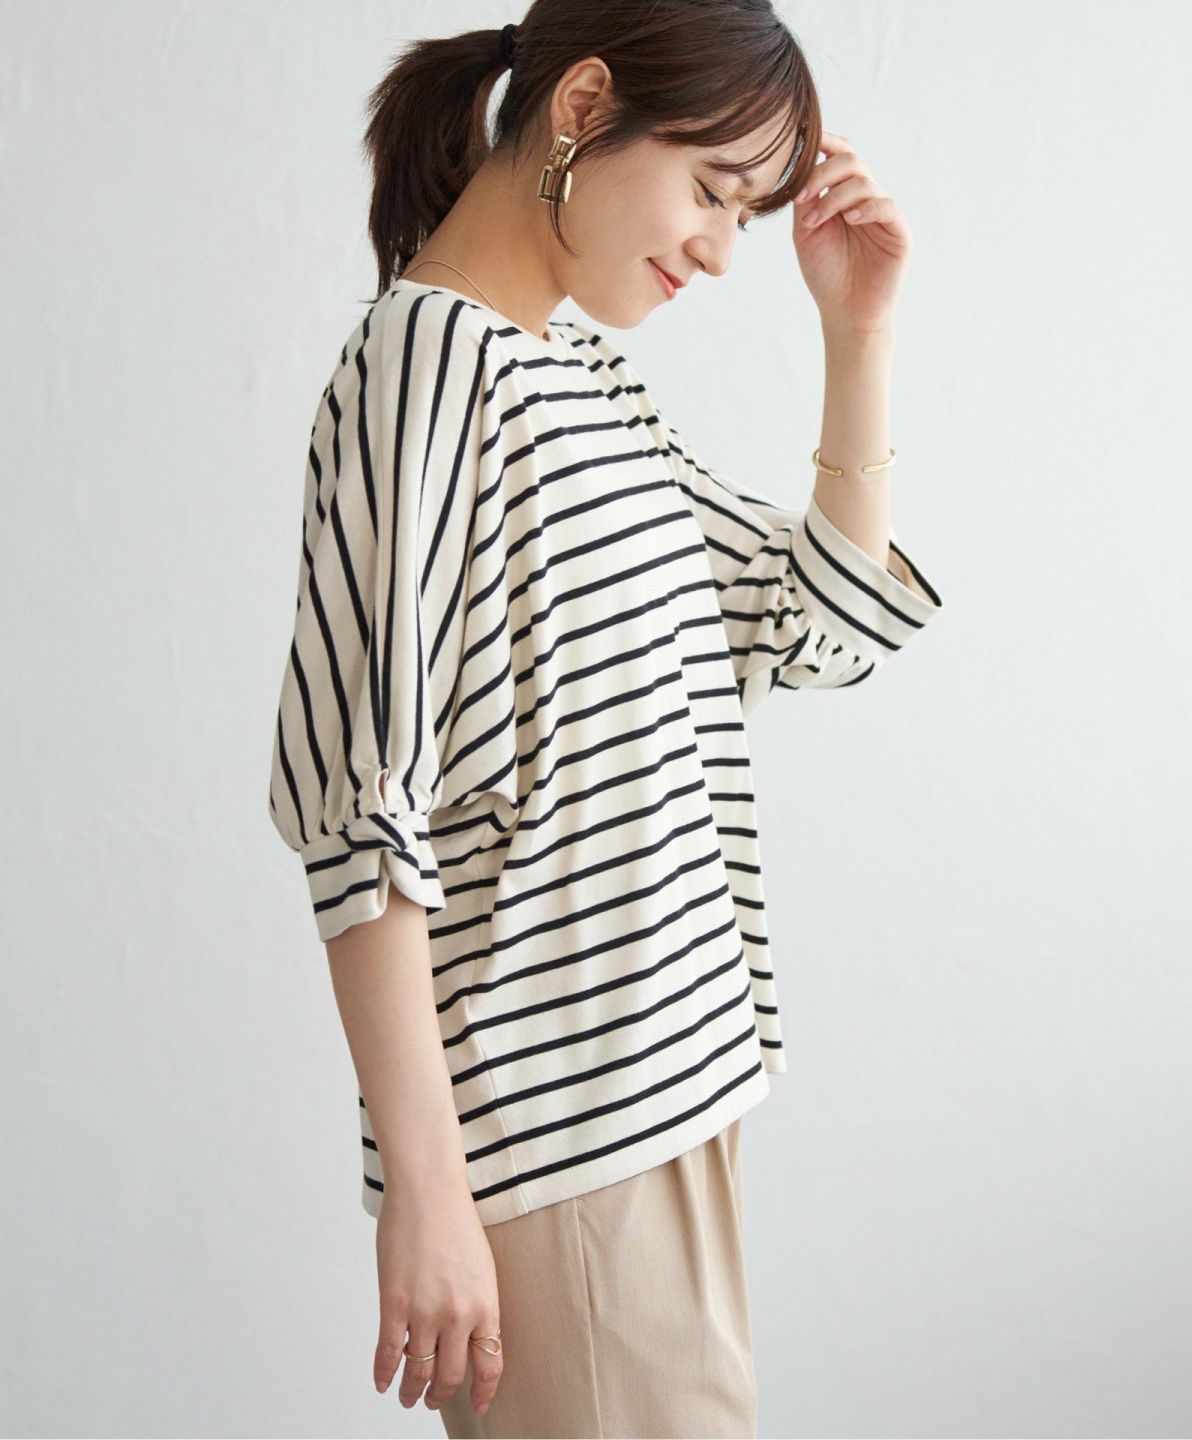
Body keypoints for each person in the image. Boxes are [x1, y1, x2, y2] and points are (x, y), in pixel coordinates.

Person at [265, 2, 945, 1434]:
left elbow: (815, 625)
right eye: (712, 189)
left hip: (671, 1094)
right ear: (582, 108)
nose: (722, 249)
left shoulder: (577, 381)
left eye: (746, 213)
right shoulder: (428, 366)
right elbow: (361, 806)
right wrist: (429, 1192)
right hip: (560, 1139)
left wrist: (858, 332)